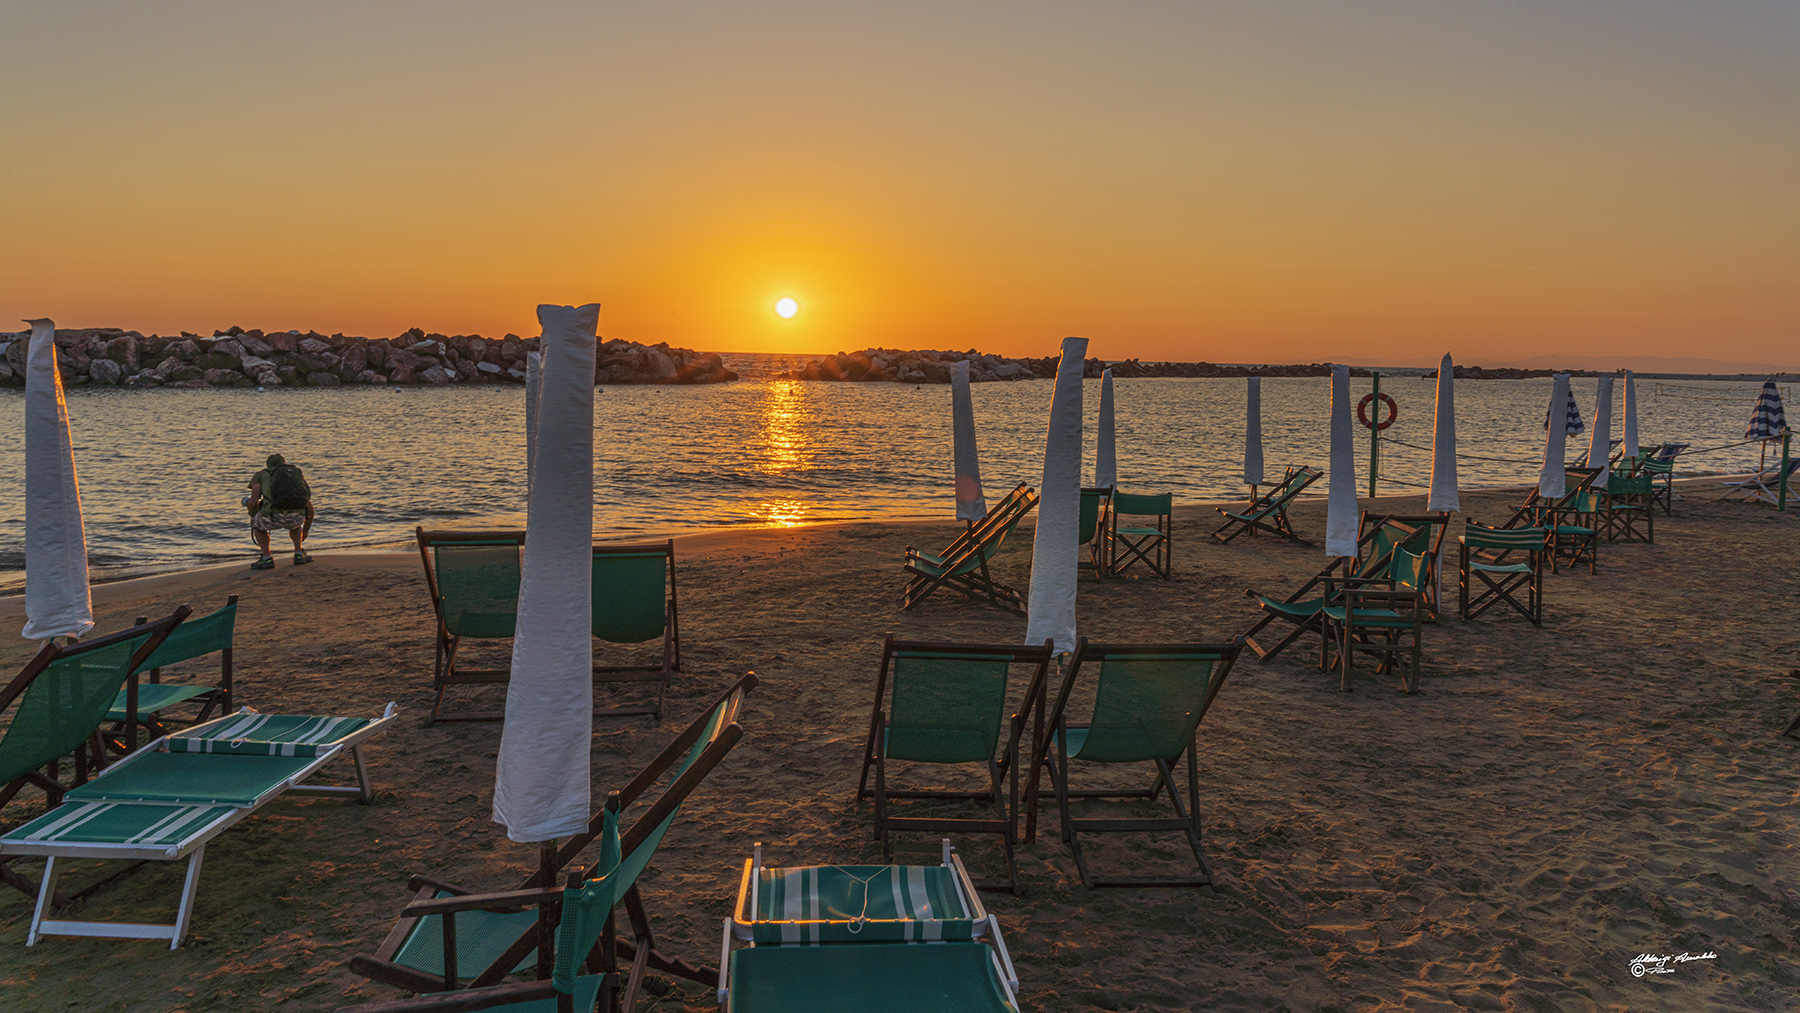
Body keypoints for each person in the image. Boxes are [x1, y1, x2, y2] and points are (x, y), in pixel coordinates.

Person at [247, 453, 315, 569]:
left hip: (273, 517)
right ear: (284, 463)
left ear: (267, 465)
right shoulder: (295, 474)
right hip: (296, 519)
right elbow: (308, 504)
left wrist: (252, 512)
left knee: (257, 524)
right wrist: (307, 529)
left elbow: (253, 502)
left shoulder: (261, 475)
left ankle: (267, 558)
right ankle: (299, 554)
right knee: (296, 524)